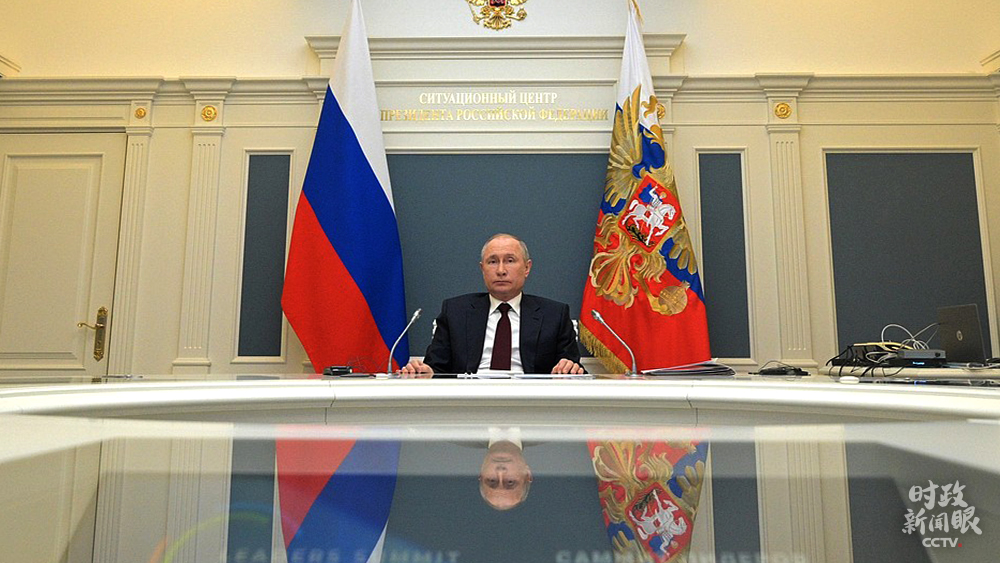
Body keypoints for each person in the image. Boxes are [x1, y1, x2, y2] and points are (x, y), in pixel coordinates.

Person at [400, 233, 584, 376]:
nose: (501, 270)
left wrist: (569, 367)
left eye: (510, 261)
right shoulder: (456, 311)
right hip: (469, 400)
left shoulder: (554, 314)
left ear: (527, 268)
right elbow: (436, 366)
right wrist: (426, 371)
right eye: (493, 262)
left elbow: (572, 367)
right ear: (482, 269)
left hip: (530, 402)